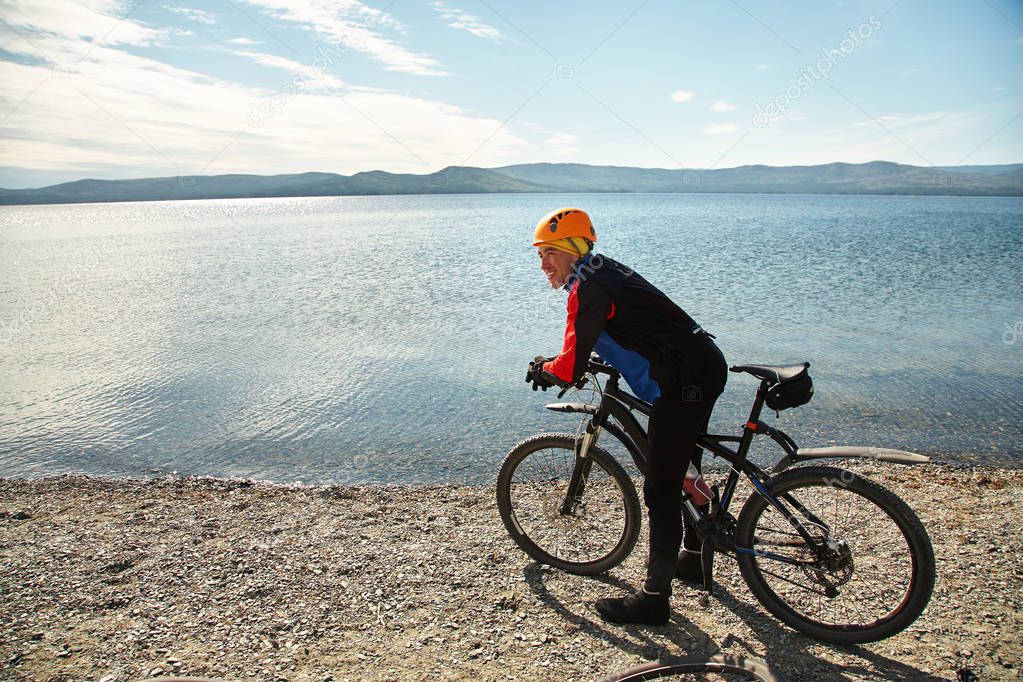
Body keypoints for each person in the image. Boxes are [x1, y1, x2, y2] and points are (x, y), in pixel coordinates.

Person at [525, 207, 728, 626]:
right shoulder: (604, 271)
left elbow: (569, 366)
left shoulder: (587, 287)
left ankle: (653, 599)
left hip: (683, 381)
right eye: (539, 255)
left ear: (570, 249)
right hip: (704, 363)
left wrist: (544, 369)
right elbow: (632, 326)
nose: (542, 264)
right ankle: (693, 557)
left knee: (661, 487)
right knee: (686, 466)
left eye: (548, 253)